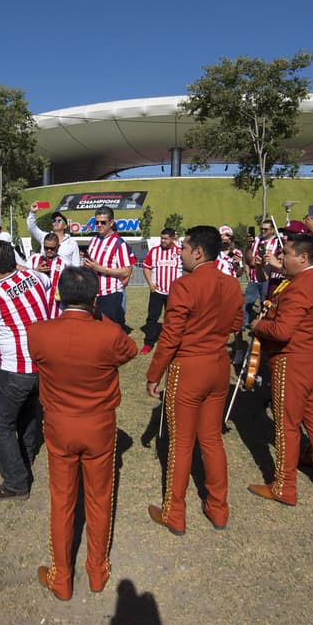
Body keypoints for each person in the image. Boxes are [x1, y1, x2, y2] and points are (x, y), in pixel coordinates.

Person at [29, 266, 136, 600]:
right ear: (94, 300)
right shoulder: (109, 333)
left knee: (62, 500)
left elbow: (37, 358)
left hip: (60, 424)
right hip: (99, 424)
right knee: (99, 497)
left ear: (59, 296)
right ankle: (96, 571)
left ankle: (62, 578)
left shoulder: (39, 332)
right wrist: (100, 317)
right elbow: (130, 351)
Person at [144, 226, 242, 533]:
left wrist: (154, 373)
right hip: (218, 367)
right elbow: (237, 323)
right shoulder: (231, 284)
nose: (180, 252)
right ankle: (218, 508)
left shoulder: (184, 285)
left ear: (198, 251)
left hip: (189, 368)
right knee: (211, 439)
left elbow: (170, 337)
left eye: (184, 247)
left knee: (181, 444)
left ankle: (175, 513)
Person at [247, 232, 313, 506]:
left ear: (303, 257)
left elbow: (282, 331)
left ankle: (284, 486)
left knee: (287, 426)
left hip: (293, 362)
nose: (281, 258)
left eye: (286, 253)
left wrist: (258, 325)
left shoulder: (300, 286)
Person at [0, 240, 51, 499]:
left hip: (16, 368)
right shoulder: (32, 275)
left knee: (0, 423)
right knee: (27, 413)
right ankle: (24, 457)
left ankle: (16, 482)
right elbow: (47, 281)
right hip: (42, 365)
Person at [83, 206, 135, 333]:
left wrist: (101, 269)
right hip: (94, 294)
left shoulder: (119, 243)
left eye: (103, 222)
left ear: (111, 222)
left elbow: (126, 271)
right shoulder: (94, 240)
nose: (99, 225)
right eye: (97, 222)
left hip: (111, 294)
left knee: (111, 330)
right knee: (95, 329)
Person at [140, 227, 182, 355]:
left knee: (173, 318)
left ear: (172, 238)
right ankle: (149, 343)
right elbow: (146, 267)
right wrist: (150, 283)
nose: (163, 241)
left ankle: (173, 343)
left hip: (174, 293)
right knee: (152, 318)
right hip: (157, 292)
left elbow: (188, 269)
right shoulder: (154, 251)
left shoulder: (180, 252)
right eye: (161, 238)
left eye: (166, 239)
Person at [28, 233, 67, 318]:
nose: (49, 250)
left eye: (52, 248)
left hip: (56, 310)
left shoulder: (65, 263)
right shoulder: (34, 259)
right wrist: (35, 271)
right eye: (46, 248)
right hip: (35, 310)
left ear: (58, 247)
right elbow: (22, 278)